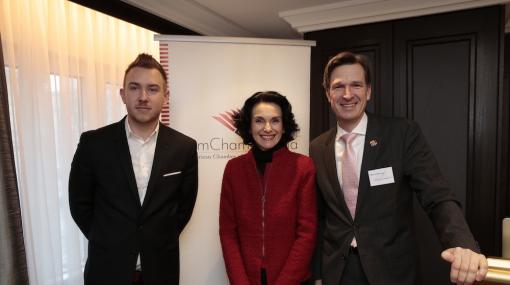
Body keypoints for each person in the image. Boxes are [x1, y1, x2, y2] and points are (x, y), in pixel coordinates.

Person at [310, 51, 488, 285]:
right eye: (338, 86)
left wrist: (463, 244)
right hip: (338, 272)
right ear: (327, 93)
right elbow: (320, 217)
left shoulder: (401, 134)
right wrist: (318, 273)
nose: (347, 94)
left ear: (369, 91)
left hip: (391, 271)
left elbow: (437, 196)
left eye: (356, 85)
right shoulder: (317, 147)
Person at [69, 53, 198, 285]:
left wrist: (154, 239)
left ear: (165, 96)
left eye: (152, 89)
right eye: (134, 88)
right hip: (107, 270)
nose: (143, 97)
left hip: (161, 271)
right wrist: (109, 240)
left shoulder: (184, 147)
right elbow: (80, 205)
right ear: (122, 94)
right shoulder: (93, 144)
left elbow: (182, 209)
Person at [219, 91, 317, 285]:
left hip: (293, 280)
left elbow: (307, 233)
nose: (267, 128)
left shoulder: (303, 167)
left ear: (284, 125)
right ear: (248, 124)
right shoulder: (234, 169)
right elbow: (228, 233)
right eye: (259, 121)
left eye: (275, 120)